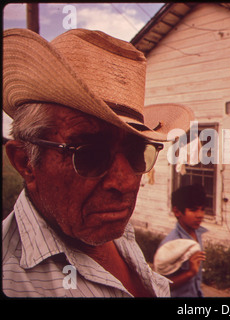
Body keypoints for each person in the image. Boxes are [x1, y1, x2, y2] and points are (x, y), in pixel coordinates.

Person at [2, 28, 194, 297]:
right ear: (25, 162)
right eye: (89, 154)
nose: (125, 182)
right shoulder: (13, 280)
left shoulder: (113, 229)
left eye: (137, 152)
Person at [157, 184, 208, 297]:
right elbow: (161, 285)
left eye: (202, 209)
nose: (200, 215)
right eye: (193, 210)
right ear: (177, 211)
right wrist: (190, 273)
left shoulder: (196, 233)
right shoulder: (171, 243)